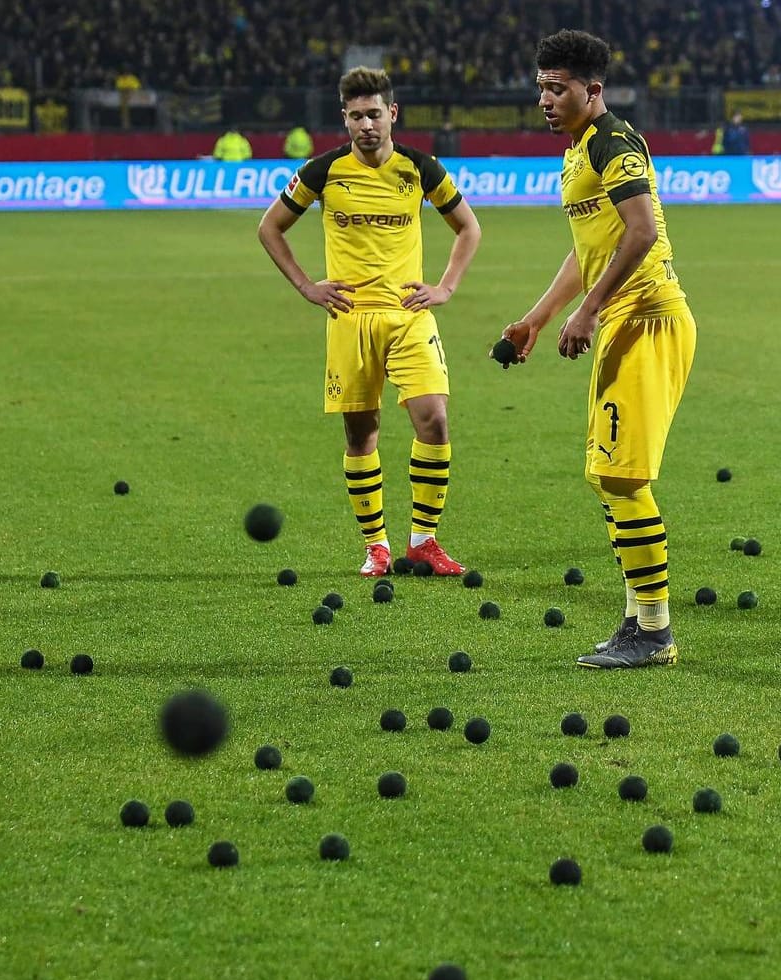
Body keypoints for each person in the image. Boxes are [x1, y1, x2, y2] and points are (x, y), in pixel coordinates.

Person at [500, 30, 696, 670]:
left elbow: (639, 233)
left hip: (648, 319)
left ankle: (656, 630)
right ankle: (642, 614)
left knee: (621, 475)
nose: (547, 101)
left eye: (558, 89)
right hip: (622, 323)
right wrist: (539, 316)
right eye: (541, 89)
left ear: (594, 90)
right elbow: (591, 248)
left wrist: (587, 311)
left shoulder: (615, 142)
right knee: (607, 474)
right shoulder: (579, 151)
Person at [257, 68, 483, 578]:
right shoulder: (322, 171)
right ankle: (376, 547)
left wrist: (445, 286)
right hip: (350, 319)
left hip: (408, 317)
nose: (366, 125)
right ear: (345, 118)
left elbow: (468, 226)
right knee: (362, 435)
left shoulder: (420, 169)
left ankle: (423, 540)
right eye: (356, 116)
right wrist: (306, 286)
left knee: (435, 419)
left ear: (392, 114)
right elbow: (270, 227)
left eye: (374, 114)